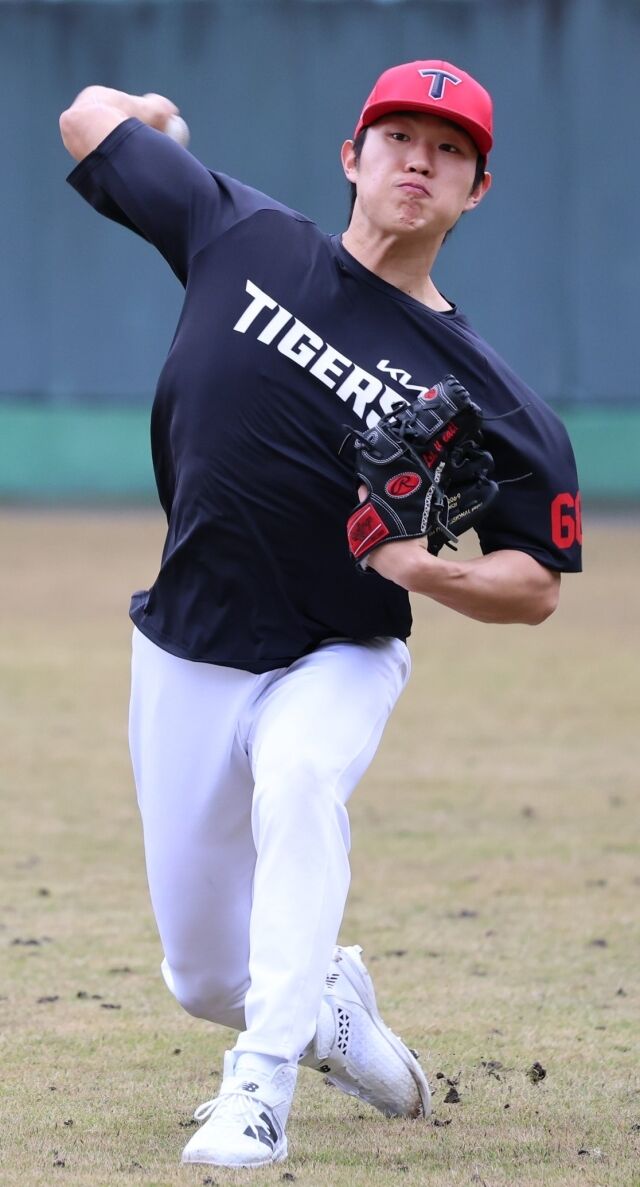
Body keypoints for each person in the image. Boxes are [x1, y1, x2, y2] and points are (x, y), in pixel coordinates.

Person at [59, 59, 581, 1169]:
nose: (419, 162)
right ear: (353, 157)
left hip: (338, 646)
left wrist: (417, 567)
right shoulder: (237, 232)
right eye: (399, 138)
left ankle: (257, 1093)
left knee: (299, 779)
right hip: (188, 643)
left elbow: (534, 579)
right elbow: (83, 118)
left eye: (450, 151)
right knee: (203, 972)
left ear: (476, 191)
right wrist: (151, 123)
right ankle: (330, 1010)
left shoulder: (485, 394)